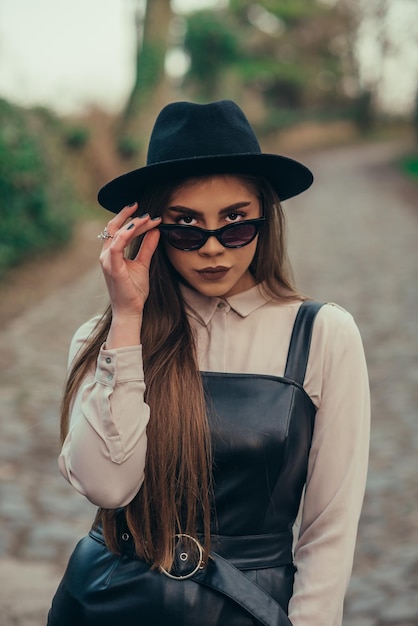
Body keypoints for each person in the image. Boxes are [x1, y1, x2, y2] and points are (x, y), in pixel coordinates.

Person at [47, 100, 370, 626]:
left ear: (266, 219)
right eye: (186, 227)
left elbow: (328, 530)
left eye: (236, 223)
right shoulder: (103, 339)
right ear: (149, 229)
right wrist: (127, 322)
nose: (213, 248)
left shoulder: (322, 335)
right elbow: (108, 487)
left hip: (245, 609)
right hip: (105, 604)